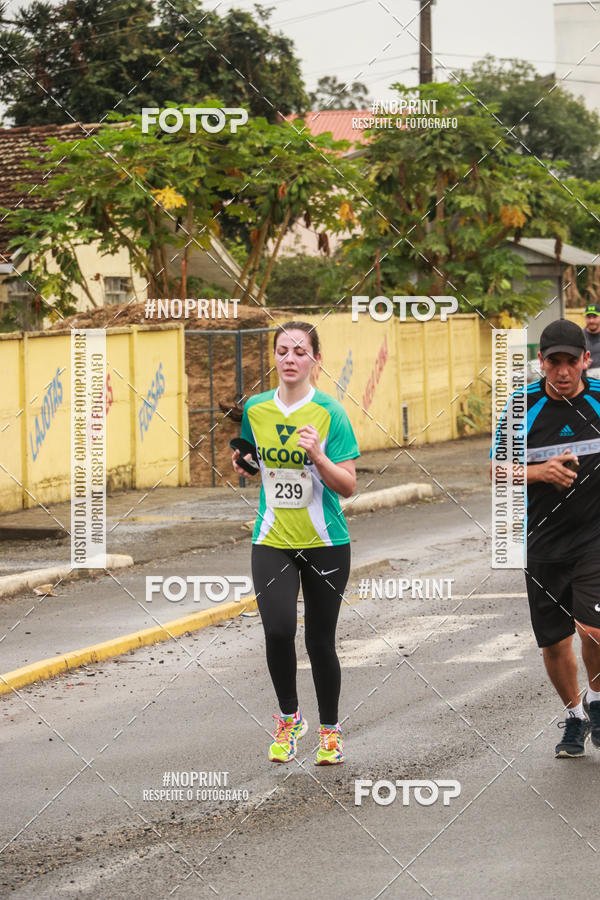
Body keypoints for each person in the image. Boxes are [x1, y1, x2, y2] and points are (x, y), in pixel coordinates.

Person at [231, 321, 360, 766]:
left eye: (300, 352)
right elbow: (254, 461)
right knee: (278, 630)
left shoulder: (330, 412)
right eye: (282, 350)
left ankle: (330, 731)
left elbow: (348, 486)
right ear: (274, 357)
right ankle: (289, 720)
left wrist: (318, 456)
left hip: (326, 541)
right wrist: (245, 464)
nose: (290, 359)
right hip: (272, 539)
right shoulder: (256, 409)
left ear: (315, 360)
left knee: (320, 641)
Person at [492, 319, 600, 758]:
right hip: (543, 541)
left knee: (593, 628)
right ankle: (575, 716)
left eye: (570, 362)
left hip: (594, 536)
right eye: (553, 362)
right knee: (554, 642)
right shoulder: (522, 407)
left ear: (585, 360)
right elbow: (496, 469)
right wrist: (539, 472)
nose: (562, 371)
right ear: (541, 361)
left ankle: (598, 702)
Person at [584, 303, 600, 378]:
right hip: (585, 380)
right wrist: (582, 363)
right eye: (588, 317)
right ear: (585, 318)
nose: (591, 320)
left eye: (595, 317)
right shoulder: (579, 337)